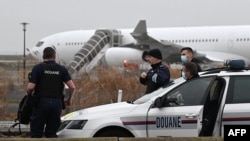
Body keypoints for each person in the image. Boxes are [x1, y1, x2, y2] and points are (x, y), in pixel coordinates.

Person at [26, 47, 75, 138]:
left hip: (41, 103)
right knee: (52, 134)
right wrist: (69, 99)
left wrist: (28, 95)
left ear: (43, 56)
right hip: (57, 103)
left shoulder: (38, 68)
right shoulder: (62, 69)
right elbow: (72, 87)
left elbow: (31, 87)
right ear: (54, 56)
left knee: (36, 133)